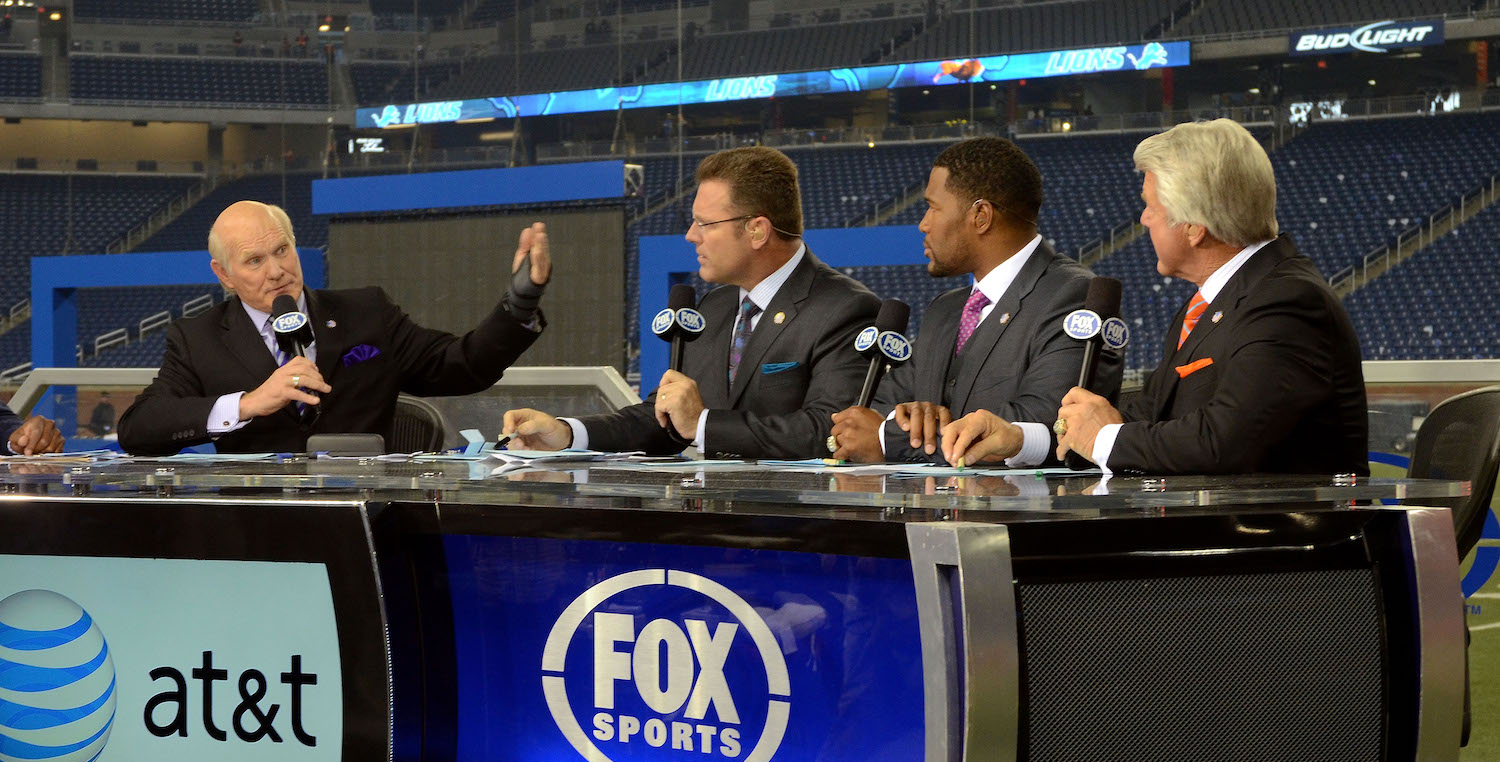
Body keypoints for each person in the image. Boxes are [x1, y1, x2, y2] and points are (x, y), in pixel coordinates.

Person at [943, 118, 1368, 476]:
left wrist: (1102, 438)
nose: (1143, 219)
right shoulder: (1215, 300)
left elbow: (1227, 440)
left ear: (1194, 226)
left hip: (1289, 561)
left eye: (1150, 206)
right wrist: (1021, 437)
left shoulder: (1286, 301)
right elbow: (1152, 411)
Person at [503, 146, 879, 459]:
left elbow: (830, 433)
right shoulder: (714, 308)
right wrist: (568, 433)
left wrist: (701, 423)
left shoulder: (846, 309)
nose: (690, 236)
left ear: (757, 230)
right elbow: (662, 418)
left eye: (704, 223)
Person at [118, 201, 550, 455]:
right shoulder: (198, 338)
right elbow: (139, 429)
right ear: (224, 275)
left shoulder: (366, 312)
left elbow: (462, 364)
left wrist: (520, 303)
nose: (277, 271)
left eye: (282, 250)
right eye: (254, 261)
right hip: (258, 528)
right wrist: (248, 403)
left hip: (367, 516)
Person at [828, 136, 1120, 465]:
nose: (923, 224)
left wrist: (887, 439)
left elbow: (1047, 422)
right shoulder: (945, 310)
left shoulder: (1074, 295)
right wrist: (908, 418)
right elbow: (876, 409)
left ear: (980, 215)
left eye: (933, 207)